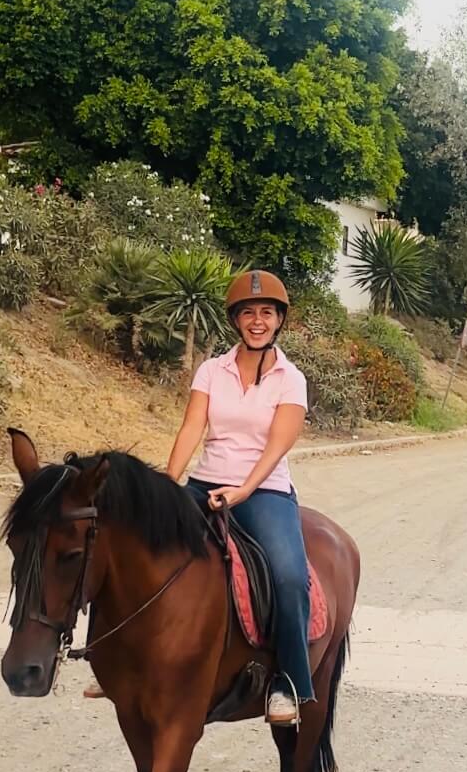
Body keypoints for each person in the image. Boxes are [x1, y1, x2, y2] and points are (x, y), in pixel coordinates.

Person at [85, 269, 312, 725]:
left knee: (289, 577)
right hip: (205, 484)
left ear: (279, 320)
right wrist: (169, 483)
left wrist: (244, 490)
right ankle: (112, 658)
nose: (258, 321)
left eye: (266, 313)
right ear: (235, 320)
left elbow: (278, 444)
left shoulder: (291, 378)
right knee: (127, 544)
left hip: (263, 490)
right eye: (248, 313)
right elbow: (192, 427)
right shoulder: (212, 370)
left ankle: (289, 681)